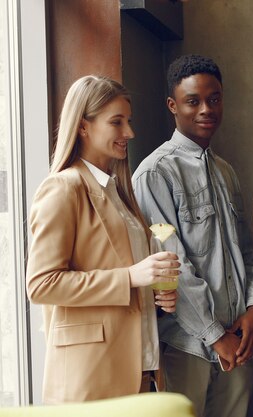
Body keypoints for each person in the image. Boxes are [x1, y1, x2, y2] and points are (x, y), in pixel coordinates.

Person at [26, 75, 179, 404]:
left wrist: (155, 299)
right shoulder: (64, 188)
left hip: (142, 369)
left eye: (129, 121)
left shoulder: (119, 193)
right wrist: (130, 277)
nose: (130, 133)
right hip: (93, 376)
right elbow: (41, 285)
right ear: (84, 127)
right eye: (117, 122)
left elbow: (125, 280)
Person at [132, 54, 253, 417]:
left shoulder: (227, 172)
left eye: (215, 98)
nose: (206, 109)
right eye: (193, 101)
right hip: (187, 345)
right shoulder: (154, 174)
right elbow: (170, 266)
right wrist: (214, 335)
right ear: (173, 106)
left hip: (238, 342)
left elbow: (249, 253)